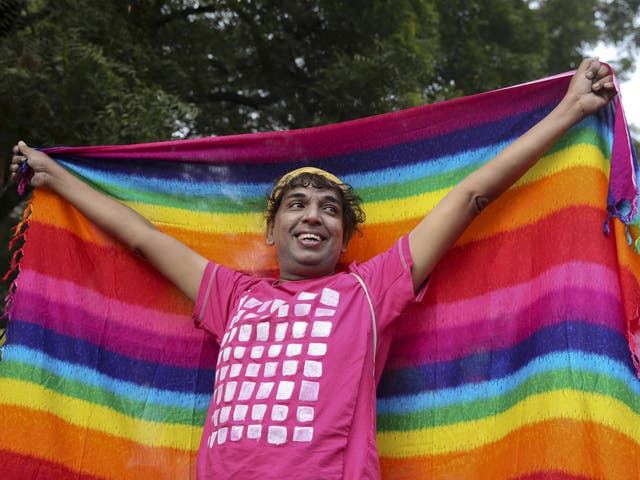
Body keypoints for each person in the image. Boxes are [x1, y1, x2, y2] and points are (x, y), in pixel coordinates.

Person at [10, 58, 616, 479]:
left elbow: (468, 198)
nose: (312, 216)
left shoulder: (370, 290)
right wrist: (53, 175)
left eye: (329, 210)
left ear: (345, 238)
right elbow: (139, 237)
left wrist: (568, 110)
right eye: (295, 205)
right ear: (270, 232)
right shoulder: (231, 294)